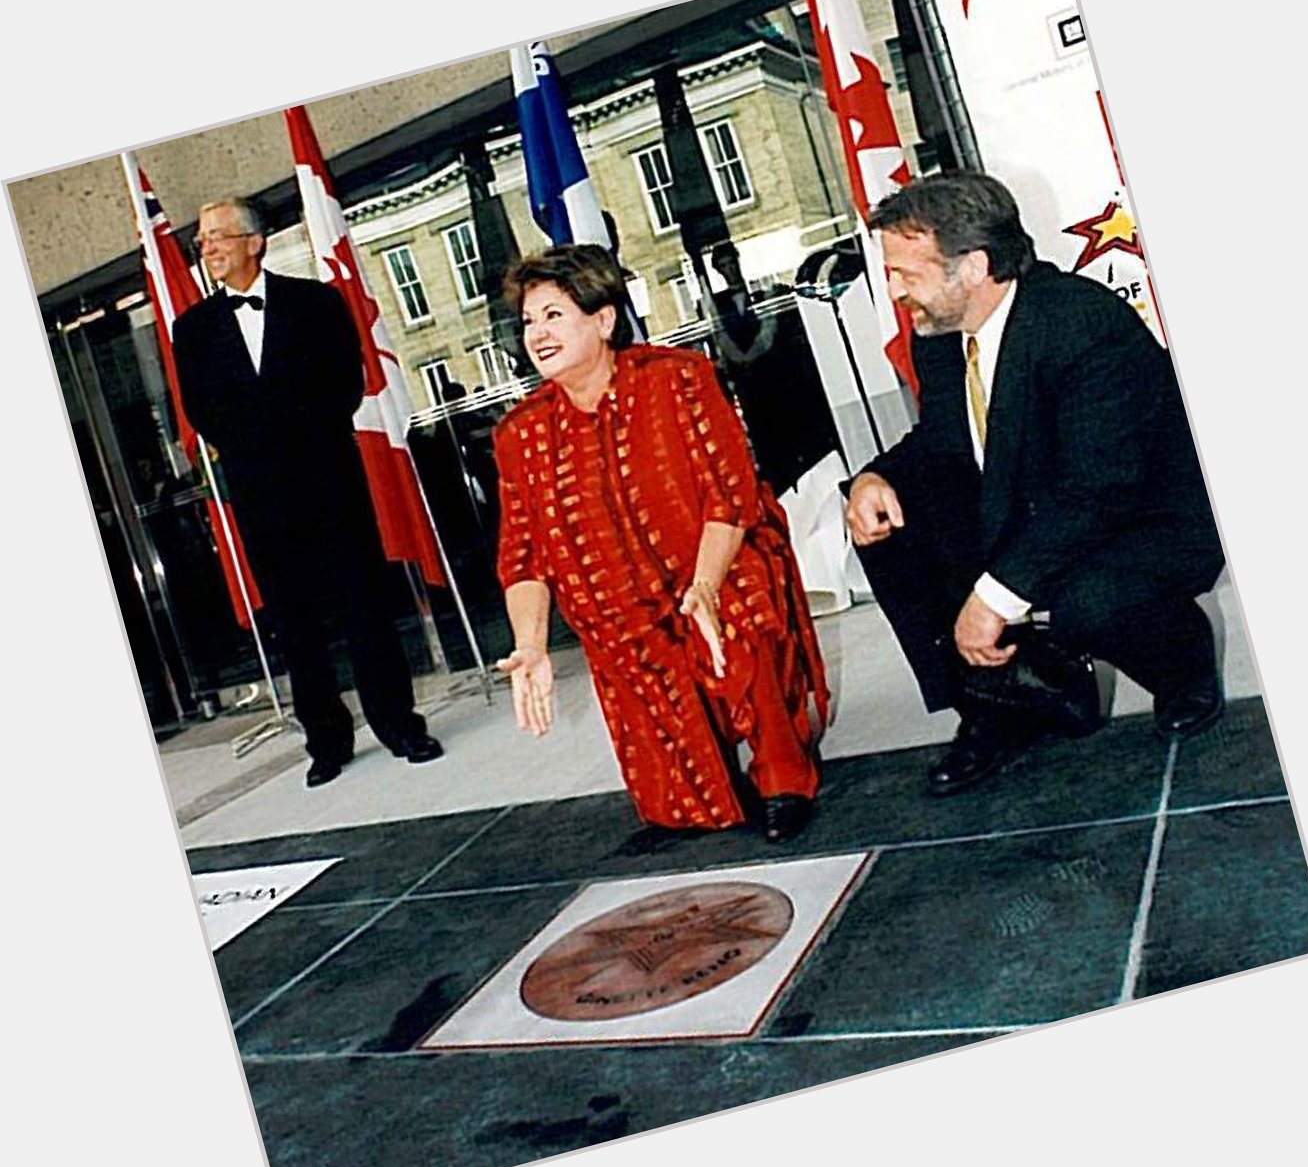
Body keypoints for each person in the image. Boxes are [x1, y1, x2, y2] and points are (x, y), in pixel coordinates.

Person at [845, 172, 1224, 795]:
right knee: (887, 524)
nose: (894, 291)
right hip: (1045, 506)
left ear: (972, 267)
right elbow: (945, 444)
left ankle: (1181, 663)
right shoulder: (940, 338)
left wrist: (993, 599)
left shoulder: (1079, 322)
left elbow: (1099, 491)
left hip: (1141, 520)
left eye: (906, 275)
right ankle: (996, 705)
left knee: (1087, 602)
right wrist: (874, 477)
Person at [493, 244, 828, 842]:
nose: (537, 334)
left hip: (713, 564)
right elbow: (522, 553)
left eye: (554, 316)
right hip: (620, 602)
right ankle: (691, 797)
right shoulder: (520, 433)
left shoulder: (677, 378)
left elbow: (732, 496)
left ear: (603, 320)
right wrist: (531, 645)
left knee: (741, 595)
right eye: (528, 322)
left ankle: (783, 775)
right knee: (610, 621)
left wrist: (703, 585)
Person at [173, 197, 443, 787]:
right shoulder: (191, 330)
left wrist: (290, 433)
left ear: (256, 241)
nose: (208, 248)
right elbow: (204, 410)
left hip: (329, 479)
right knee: (294, 623)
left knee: (364, 605)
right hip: (260, 495)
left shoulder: (316, 303)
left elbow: (345, 384)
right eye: (201, 241)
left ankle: (400, 724)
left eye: (218, 236)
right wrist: (261, 447)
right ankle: (326, 741)